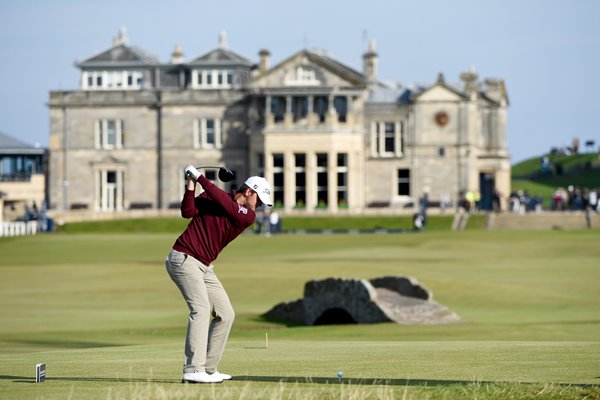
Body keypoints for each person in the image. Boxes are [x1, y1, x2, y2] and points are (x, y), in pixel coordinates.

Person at [165, 164, 273, 384]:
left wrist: (200, 177)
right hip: (183, 258)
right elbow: (188, 212)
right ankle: (193, 369)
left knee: (226, 314)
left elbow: (226, 204)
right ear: (249, 191)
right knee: (202, 310)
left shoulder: (246, 216)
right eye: (259, 200)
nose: (259, 206)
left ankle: (209, 369)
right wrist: (191, 184)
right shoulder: (216, 197)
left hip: (204, 265)